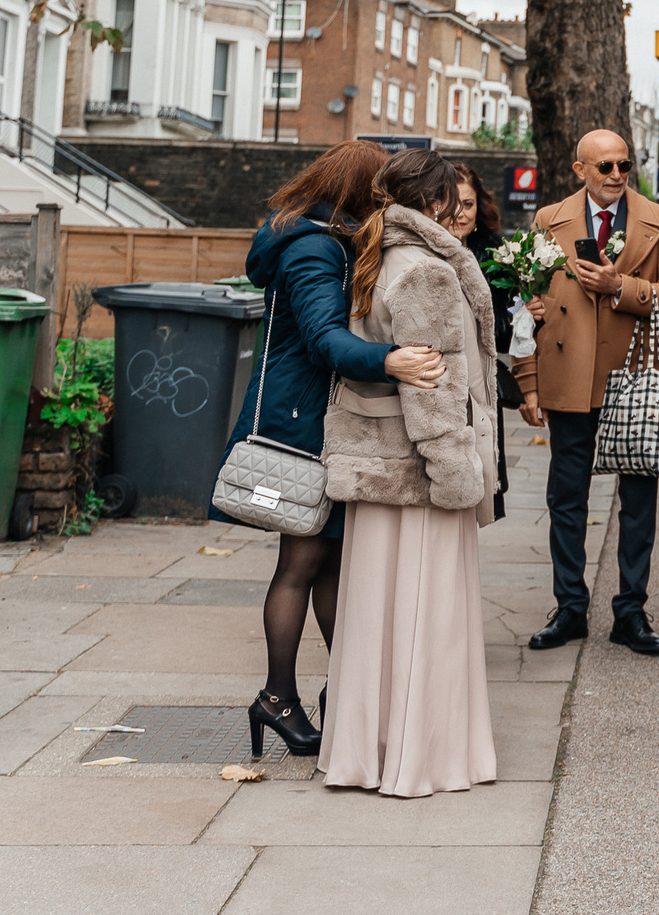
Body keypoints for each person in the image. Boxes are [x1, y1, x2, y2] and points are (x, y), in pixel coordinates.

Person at [221, 141, 443, 759]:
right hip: (304, 421)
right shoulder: (314, 247)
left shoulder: (323, 238)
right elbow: (324, 339)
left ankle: (337, 695)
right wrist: (389, 361)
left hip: (322, 417)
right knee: (302, 560)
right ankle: (277, 698)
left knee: (330, 561)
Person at [318, 149, 501, 797]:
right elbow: (435, 390)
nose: (460, 207)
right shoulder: (428, 271)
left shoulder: (378, 256)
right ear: (433, 202)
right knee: (430, 615)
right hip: (422, 473)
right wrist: (458, 475)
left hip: (379, 468)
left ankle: (367, 752)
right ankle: (423, 757)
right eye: (452, 195)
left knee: (377, 616)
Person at [516, 129, 659, 655]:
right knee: (566, 499)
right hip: (569, 379)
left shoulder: (657, 220)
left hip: (631, 377)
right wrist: (528, 384)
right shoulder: (549, 219)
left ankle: (630, 613)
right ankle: (570, 607)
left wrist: (621, 288)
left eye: (624, 165)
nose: (617, 175)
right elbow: (528, 305)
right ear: (580, 171)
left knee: (638, 501)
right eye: (605, 167)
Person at [456, 165, 518, 522]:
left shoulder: (495, 254)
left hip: (480, 388)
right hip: (439, 384)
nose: (461, 213)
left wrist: (527, 314)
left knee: (479, 486)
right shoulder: (423, 250)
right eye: (453, 203)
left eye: (468, 203)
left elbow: (506, 332)